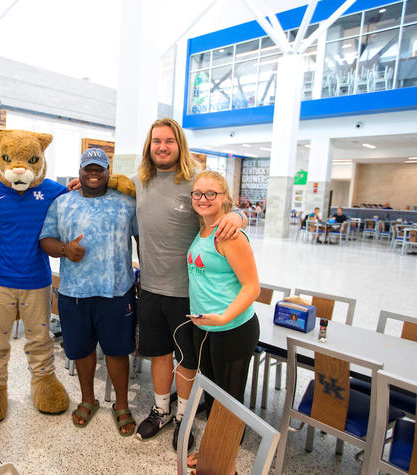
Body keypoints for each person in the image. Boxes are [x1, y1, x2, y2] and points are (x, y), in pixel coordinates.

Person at [133, 118, 245, 450]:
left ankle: (184, 415)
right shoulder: (140, 181)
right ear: (149, 146)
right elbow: (105, 184)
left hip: (186, 293)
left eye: (169, 141)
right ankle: (161, 410)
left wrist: (238, 216)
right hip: (150, 287)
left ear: (179, 144)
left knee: (186, 359)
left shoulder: (195, 181)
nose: (162, 147)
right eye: (156, 141)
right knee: (158, 355)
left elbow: (228, 207)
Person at [39, 149, 138, 436]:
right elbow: (46, 239)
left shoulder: (127, 204)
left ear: (109, 171)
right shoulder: (63, 204)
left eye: (99, 169)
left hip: (116, 292)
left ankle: (121, 405)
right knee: (81, 351)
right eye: (87, 169)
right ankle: (88, 399)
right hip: (75, 292)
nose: (93, 174)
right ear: (79, 171)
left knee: (118, 352)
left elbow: (143, 239)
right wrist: (65, 250)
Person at [185, 170, 260, 471]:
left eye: (211, 194)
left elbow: (253, 287)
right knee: (214, 397)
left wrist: (224, 317)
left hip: (232, 329)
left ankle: (225, 463)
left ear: (225, 197)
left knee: (229, 403)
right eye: (197, 194)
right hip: (205, 328)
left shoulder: (230, 234)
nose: (203, 199)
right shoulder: (203, 229)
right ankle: (213, 451)